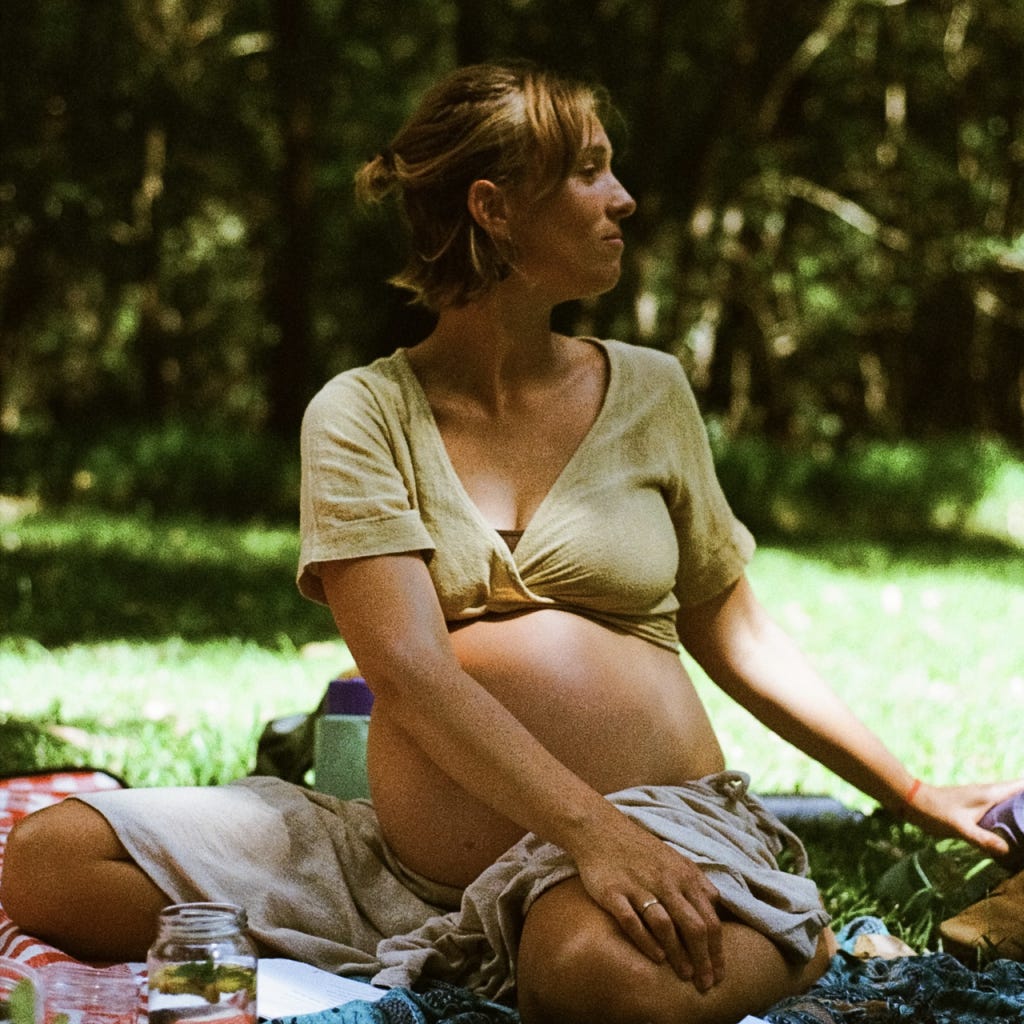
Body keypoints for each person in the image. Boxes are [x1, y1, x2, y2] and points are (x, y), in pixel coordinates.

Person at [2, 61, 1020, 1024]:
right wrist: (586, 828)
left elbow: (737, 635)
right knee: (48, 861)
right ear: (493, 207)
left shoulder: (651, 390)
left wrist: (913, 794)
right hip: (397, 877)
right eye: (590, 171)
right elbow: (407, 671)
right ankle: (458, 946)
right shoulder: (361, 413)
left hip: (655, 825)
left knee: (590, 978)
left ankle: (774, 926)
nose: (623, 198)